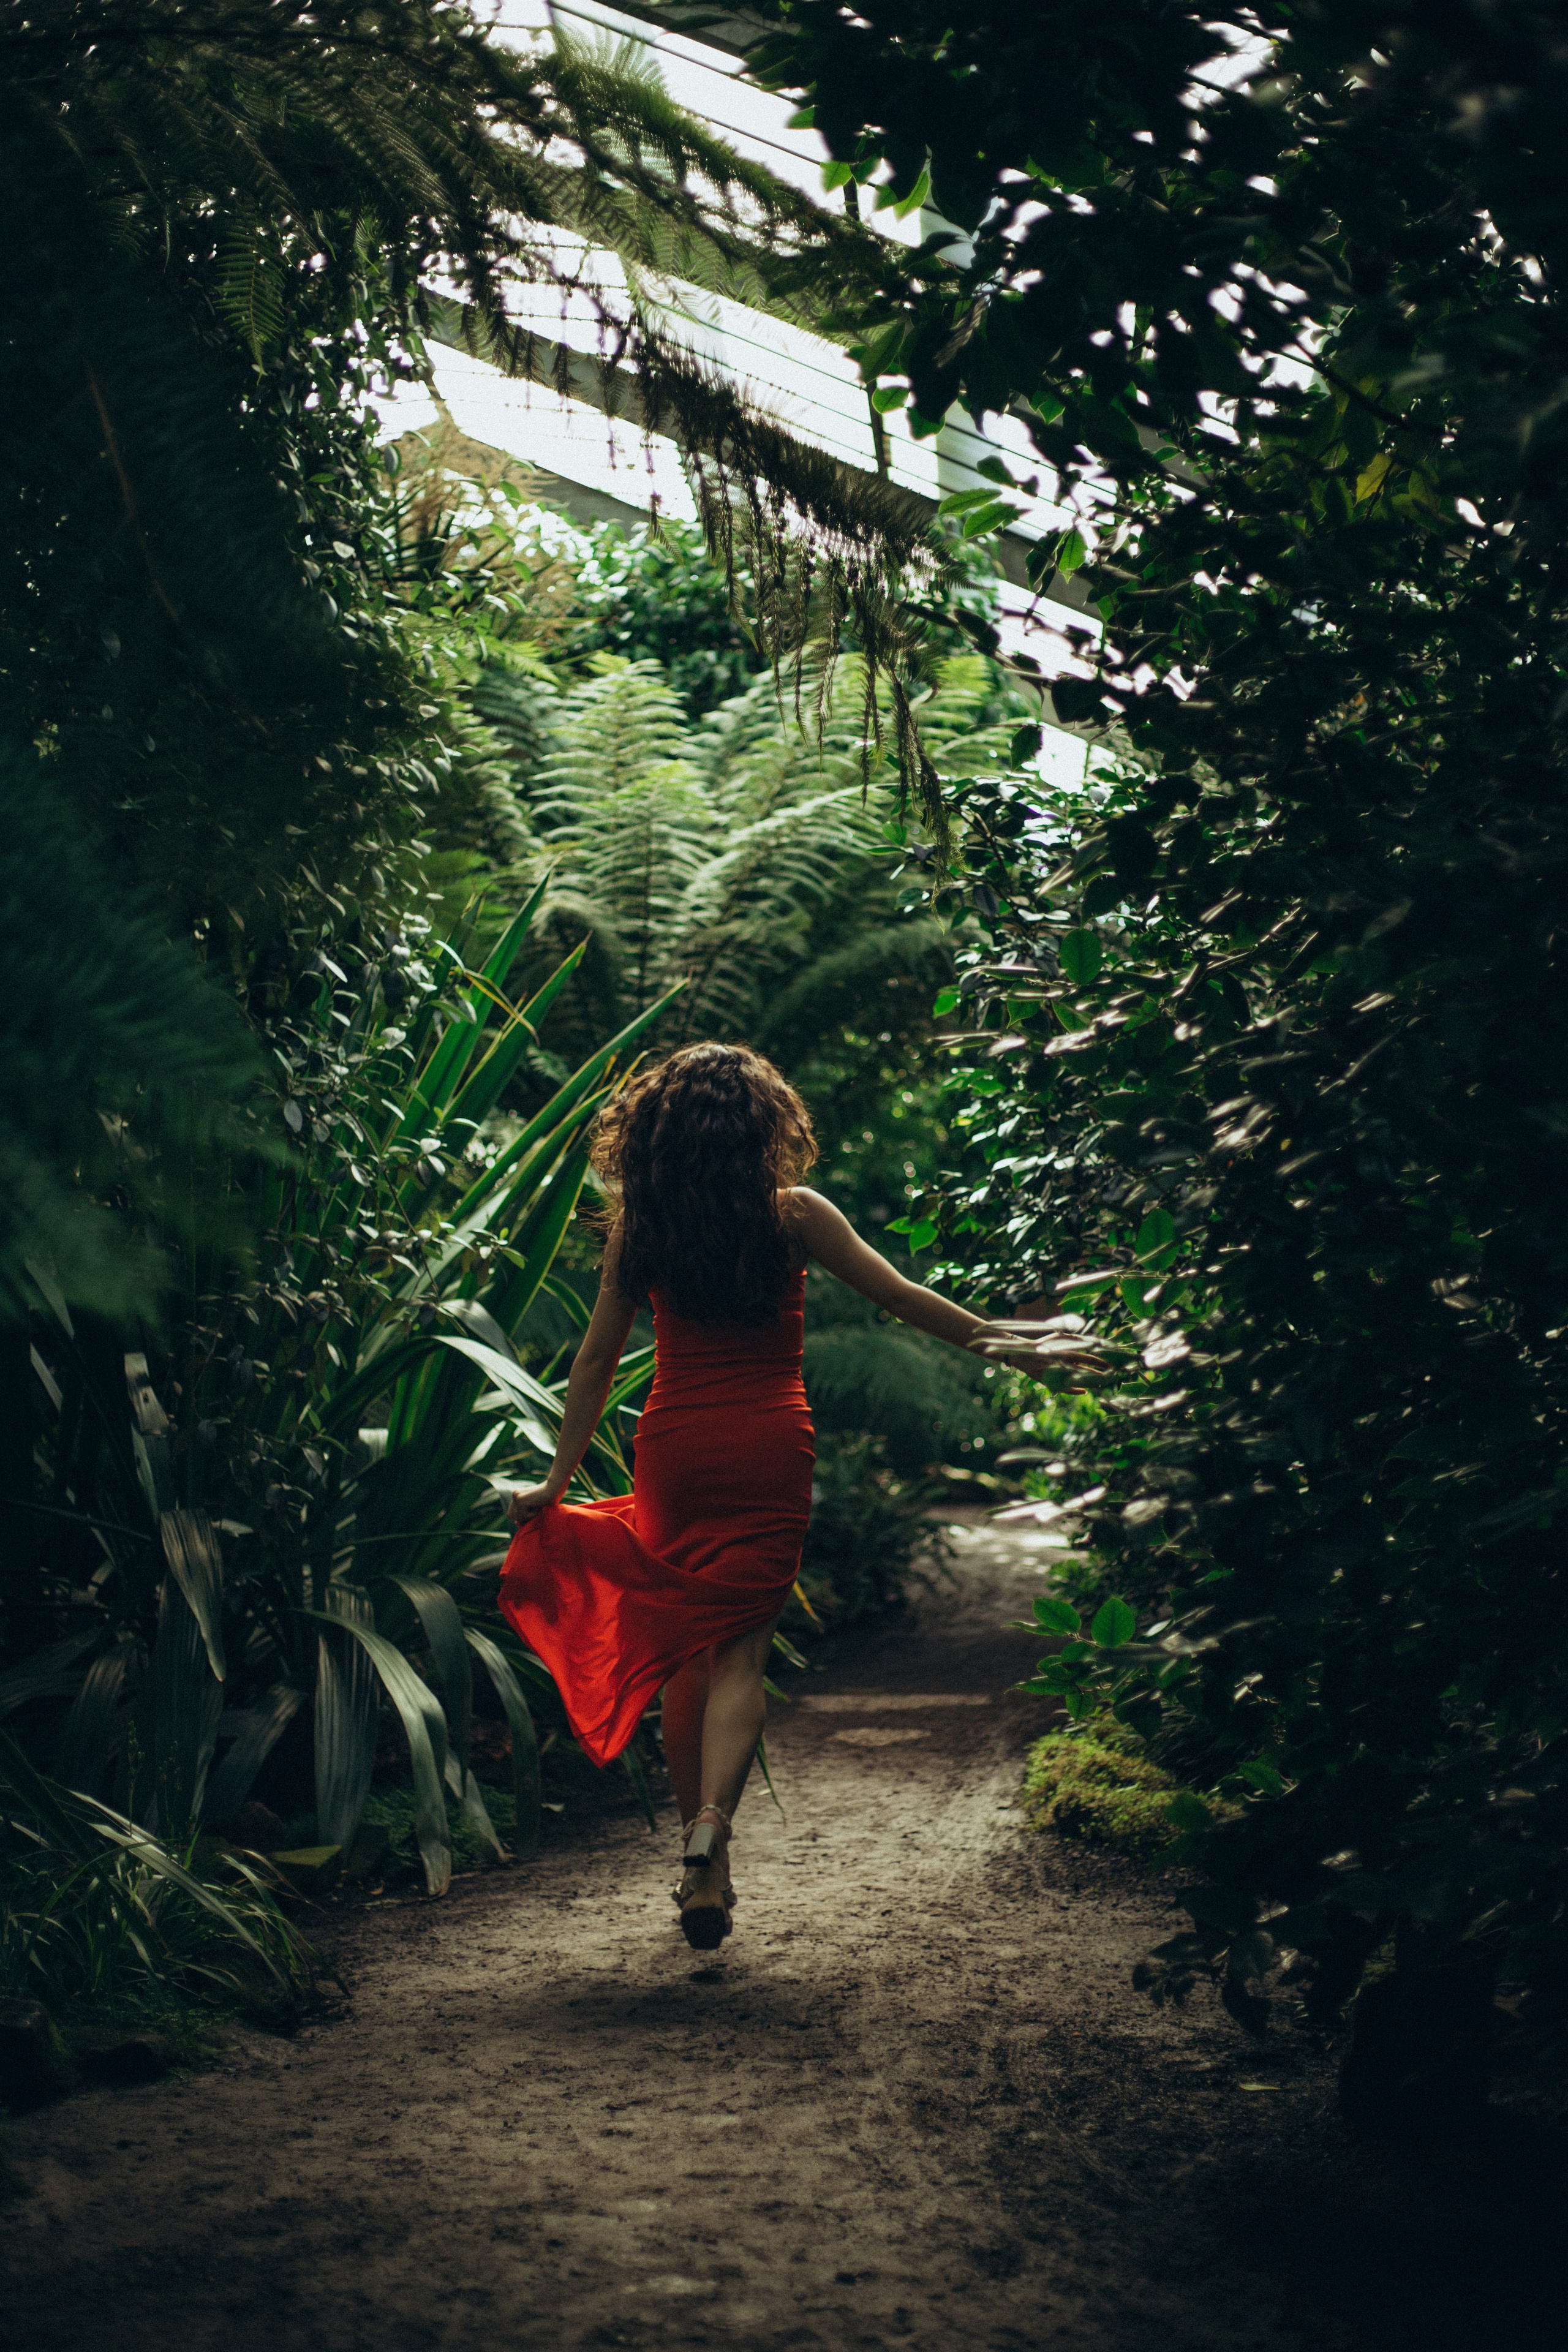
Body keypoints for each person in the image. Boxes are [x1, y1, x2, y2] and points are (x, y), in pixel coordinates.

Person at [498, 1041, 1085, 1951]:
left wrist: (556, 1483)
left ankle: (706, 1868)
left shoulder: (640, 1227)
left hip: (674, 1450)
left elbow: (594, 1362)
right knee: (738, 1656)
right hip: (771, 1444)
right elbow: (904, 1298)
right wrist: (1023, 1347)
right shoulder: (796, 1215)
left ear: (656, 1136)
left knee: (689, 1659)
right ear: (762, 1128)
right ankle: (713, 1838)